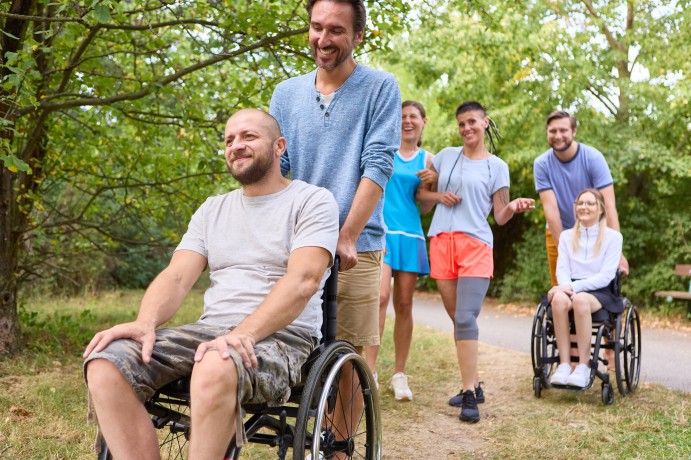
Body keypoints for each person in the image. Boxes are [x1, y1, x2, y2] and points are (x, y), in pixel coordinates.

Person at [82, 109, 339, 459]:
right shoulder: (212, 210)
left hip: (281, 336)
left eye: (248, 136)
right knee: (105, 361)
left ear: (280, 146)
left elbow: (303, 280)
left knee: (216, 360)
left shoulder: (312, 201)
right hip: (211, 331)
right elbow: (176, 276)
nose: (236, 146)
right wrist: (145, 323)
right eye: (229, 140)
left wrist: (245, 332)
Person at [269, 0, 400, 357]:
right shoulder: (286, 93)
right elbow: (276, 168)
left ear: (358, 35)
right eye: (317, 27)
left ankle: (341, 417)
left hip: (356, 245)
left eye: (336, 30)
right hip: (297, 245)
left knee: (347, 359)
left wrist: (347, 236)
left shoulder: (380, 88)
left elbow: (377, 165)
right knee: (286, 347)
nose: (323, 39)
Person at [418, 101, 534, 422]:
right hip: (441, 242)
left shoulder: (497, 166)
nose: (466, 128)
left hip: (476, 245)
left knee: (466, 318)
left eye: (472, 122)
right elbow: (423, 203)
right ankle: (475, 384)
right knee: (459, 320)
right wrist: (434, 191)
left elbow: (499, 214)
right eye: (461, 124)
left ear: (485, 123)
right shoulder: (444, 157)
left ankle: (470, 394)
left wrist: (514, 206)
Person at [364, 100, 435, 401]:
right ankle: (369, 372)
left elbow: (427, 204)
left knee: (404, 304)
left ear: (423, 122)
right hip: (381, 233)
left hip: (410, 235)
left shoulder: (428, 159)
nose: (407, 121)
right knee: (379, 298)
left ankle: (399, 375)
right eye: (403, 116)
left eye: (413, 117)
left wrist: (433, 183)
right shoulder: (384, 150)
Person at [534, 110, 628, 287]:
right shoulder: (542, 164)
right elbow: (551, 211)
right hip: (560, 232)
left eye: (563, 130)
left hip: (596, 232)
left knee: (597, 287)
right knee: (561, 288)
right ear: (547, 132)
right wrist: (565, 250)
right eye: (553, 131)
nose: (558, 135)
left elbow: (608, 206)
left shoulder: (593, 158)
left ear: (574, 131)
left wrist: (618, 252)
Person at [547, 188, 623, 388]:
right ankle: (564, 364)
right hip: (571, 287)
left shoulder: (613, 238)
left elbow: (606, 276)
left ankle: (583, 365)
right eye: (581, 203)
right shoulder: (566, 236)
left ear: (600, 209)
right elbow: (562, 269)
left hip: (600, 291)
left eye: (590, 203)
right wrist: (564, 288)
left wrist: (571, 287)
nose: (584, 207)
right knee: (558, 300)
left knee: (580, 300)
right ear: (576, 208)